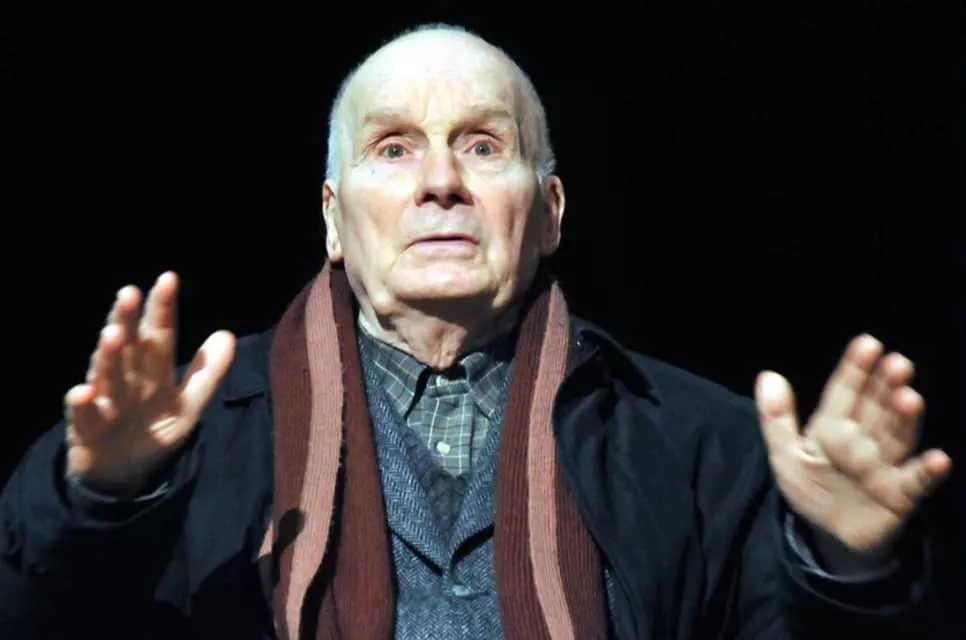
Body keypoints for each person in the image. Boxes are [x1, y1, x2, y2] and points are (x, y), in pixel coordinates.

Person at [0, 24, 952, 640]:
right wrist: (103, 502)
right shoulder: (186, 443)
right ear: (333, 219)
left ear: (550, 211)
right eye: (394, 148)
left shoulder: (705, 448)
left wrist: (848, 568)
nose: (440, 182)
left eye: (483, 146)